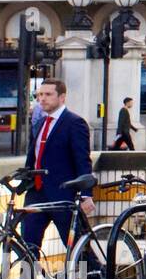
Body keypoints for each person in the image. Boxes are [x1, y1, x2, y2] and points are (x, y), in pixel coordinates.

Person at [22, 80, 95, 258]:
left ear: (62, 97)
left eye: (48, 95)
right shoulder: (40, 123)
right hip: (36, 193)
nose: (42, 99)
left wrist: (86, 194)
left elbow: (82, 159)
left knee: (76, 247)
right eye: (40, 95)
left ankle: (95, 276)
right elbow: (34, 157)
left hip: (63, 195)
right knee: (27, 246)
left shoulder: (74, 123)